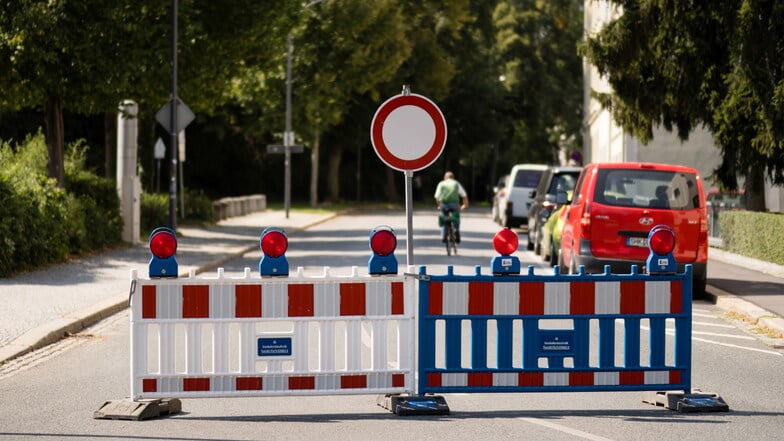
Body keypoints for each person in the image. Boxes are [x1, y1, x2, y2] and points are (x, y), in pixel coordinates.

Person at [434, 171, 469, 243]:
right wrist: (465, 205)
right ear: (453, 177)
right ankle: (456, 230)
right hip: (454, 204)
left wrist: (439, 205)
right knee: (456, 217)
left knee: (444, 218)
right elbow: (464, 195)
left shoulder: (441, 184)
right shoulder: (456, 183)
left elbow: (437, 196)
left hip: (444, 204)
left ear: (445, 177)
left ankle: (444, 235)